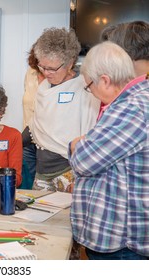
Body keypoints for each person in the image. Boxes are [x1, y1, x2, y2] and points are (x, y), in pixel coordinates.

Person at [69, 41, 149, 260]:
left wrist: (77, 144)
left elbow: (84, 161)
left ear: (104, 80)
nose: (91, 93)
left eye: (89, 87)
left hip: (123, 244)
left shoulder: (130, 108)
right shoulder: (134, 102)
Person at [22, 27, 100, 192]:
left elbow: (90, 132)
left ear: (70, 63)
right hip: (42, 171)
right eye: (43, 67)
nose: (46, 73)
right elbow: (37, 125)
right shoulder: (44, 86)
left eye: (52, 69)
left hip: (69, 173)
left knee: (66, 218)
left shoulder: (84, 87)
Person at [21, 43, 45, 188]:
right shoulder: (30, 73)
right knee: (27, 183)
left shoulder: (59, 79)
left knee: (43, 185)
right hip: (27, 138)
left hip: (45, 142)